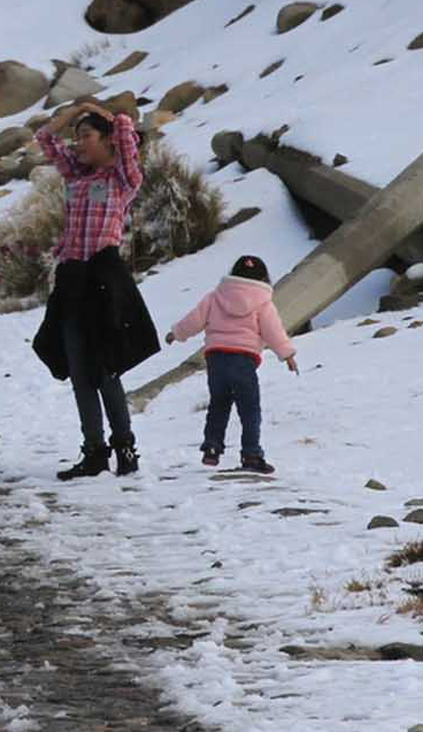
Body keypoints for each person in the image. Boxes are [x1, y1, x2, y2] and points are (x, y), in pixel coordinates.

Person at [31, 102, 159, 480]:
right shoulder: (76, 177)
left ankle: (125, 447)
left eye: (86, 137)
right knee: (78, 371)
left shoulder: (122, 177)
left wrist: (93, 108)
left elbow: (125, 128)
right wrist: (74, 112)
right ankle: (94, 452)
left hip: (103, 278)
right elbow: (44, 138)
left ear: (107, 141)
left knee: (105, 369)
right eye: (78, 138)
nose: (79, 145)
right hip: (72, 279)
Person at [165, 253, 298, 472]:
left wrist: (176, 334)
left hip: (216, 359)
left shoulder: (216, 296)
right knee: (249, 410)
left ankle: (212, 448)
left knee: (219, 404)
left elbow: (194, 320)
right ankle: (251, 456)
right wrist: (287, 355)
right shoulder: (263, 303)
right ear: (264, 278)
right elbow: (273, 331)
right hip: (244, 360)